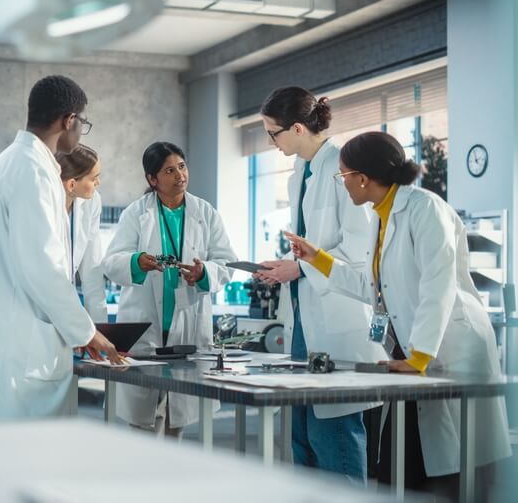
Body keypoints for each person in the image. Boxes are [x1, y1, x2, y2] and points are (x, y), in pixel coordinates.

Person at [285, 131, 511, 495]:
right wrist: (318, 259)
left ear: (362, 177)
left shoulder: (424, 209)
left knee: (454, 468)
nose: (342, 185)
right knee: (407, 465)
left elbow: (437, 285)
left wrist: (419, 355)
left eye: (342, 176)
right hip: (415, 351)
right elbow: (372, 287)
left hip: (449, 347)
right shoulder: (381, 215)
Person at [0, 75, 122, 422]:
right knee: (12, 458)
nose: (80, 131)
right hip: (13, 351)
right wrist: (86, 331)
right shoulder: (33, 171)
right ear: (68, 121)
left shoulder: (9, 162)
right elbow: (42, 267)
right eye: (82, 123)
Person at [253, 86, 385, 482]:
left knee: (335, 438)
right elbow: (312, 247)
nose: (270, 142)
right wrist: (289, 265)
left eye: (272, 133)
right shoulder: (301, 174)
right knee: (303, 439)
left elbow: (359, 251)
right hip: (302, 319)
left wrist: (301, 268)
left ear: (296, 128)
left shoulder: (345, 167)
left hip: (335, 319)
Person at [102, 142, 237, 436]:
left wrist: (205, 273)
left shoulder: (206, 212)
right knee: (143, 423)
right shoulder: (136, 214)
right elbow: (111, 263)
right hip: (146, 327)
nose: (180, 175)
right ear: (153, 179)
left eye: (182, 166)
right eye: (169, 170)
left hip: (187, 324)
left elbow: (227, 261)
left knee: (178, 418)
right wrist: (137, 261)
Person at [55, 143, 107, 323]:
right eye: (94, 178)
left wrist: (99, 329)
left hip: (64, 305)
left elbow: (93, 271)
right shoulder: (42, 206)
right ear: (71, 184)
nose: (98, 183)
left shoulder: (92, 202)